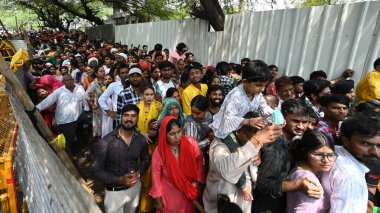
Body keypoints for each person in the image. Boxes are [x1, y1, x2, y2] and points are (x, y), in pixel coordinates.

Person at [203, 112, 283, 213]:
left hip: (243, 203)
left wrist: (256, 151)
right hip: (221, 205)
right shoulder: (219, 147)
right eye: (251, 140)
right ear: (239, 131)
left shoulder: (250, 144)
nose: (256, 144)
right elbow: (229, 172)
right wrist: (254, 143)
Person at [253, 99, 323, 213]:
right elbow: (263, 185)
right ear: (284, 119)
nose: (301, 126)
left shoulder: (291, 141)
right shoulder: (276, 144)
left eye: (304, 122)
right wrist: (297, 184)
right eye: (295, 121)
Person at [92, 104, 150, 213]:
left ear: (137, 118)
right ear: (121, 117)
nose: (129, 119)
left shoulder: (140, 139)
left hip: (134, 189)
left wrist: (138, 174)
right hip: (114, 194)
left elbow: (146, 159)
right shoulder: (106, 141)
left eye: (133, 116)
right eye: (126, 115)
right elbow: (96, 170)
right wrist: (119, 180)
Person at [321, 111, 380, 212]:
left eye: (379, 145)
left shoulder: (335, 151)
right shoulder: (351, 178)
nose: (375, 152)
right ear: (345, 141)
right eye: (365, 143)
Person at [149, 116, 205, 213]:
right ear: (164, 134)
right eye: (172, 134)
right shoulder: (159, 152)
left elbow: (199, 163)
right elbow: (156, 176)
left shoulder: (191, 143)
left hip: (188, 192)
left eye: (179, 132)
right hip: (168, 194)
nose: (177, 137)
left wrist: (198, 182)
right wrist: (157, 198)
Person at [210, 60, 273, 139]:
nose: (262, 89)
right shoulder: (236, 96)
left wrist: (276, 117)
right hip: (227, 131)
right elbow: (228, 119)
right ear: (245, 82)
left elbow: (264, 108)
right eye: (259, 85)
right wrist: (248, 121)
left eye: (265, 85)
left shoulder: (258, 94)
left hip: (244, 129)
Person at [36, 74, 89, 157]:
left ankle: (81, 151)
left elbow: (85, 98)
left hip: (78, 116)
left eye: (70, 79)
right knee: (68, 140)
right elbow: (49, 100)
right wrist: (38, 108)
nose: (69, 81)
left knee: (80, 135)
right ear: (63, 82)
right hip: (65, 121)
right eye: (66, 80)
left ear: (73, 80)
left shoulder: (79, 88)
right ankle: (71, 156)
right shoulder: (59, 91)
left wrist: (86, 108)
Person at [287, 130, 336, 213]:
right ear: (305, 152)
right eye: (318, 155)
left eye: (330, 155)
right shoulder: (309, 181)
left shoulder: (300, 168)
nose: (326, 160)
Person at [98, 65, 129, 132]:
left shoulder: (134, 85)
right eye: (122, 73)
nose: (125, 75)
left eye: (127, 72)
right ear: (119, 75)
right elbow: (101, 99)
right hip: (118, 118)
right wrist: (109, 112)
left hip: (132, 118)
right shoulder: (114, 85)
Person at [85, 66, 107, 137]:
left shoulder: (106, 80)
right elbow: (86, 95)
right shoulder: (94, 84)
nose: (103, 72)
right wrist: (93, 105)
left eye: (103, 71)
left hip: (108, 106)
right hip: (99, 108)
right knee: (100, 124)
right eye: (100, 71)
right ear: (96, 74)